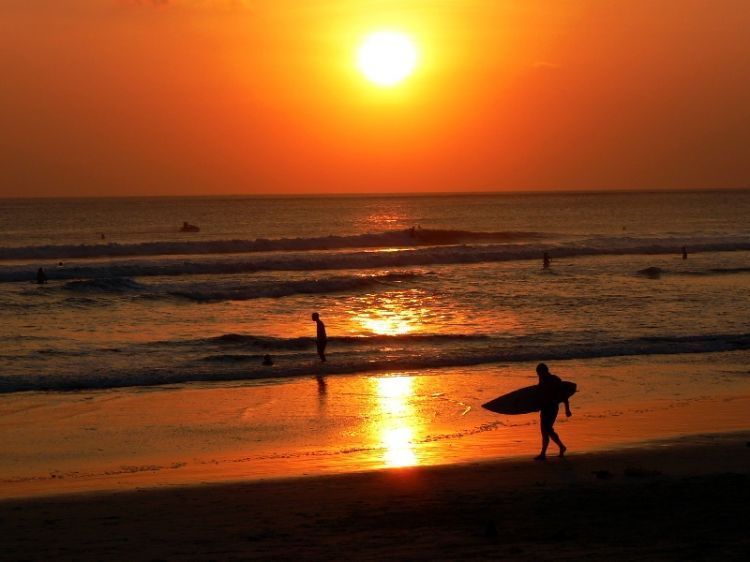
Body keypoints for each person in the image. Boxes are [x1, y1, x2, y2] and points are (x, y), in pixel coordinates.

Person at [535, 363, 571, 460]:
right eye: (538, 373)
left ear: (545, 371)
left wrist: (567, 409)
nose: (538, 375)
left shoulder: (555, 380)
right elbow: (540, 394)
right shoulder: (542, 380)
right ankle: (557, 449)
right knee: (545, 431)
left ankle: (547, 452)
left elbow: (564, 395)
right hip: (544, 408)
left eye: (539, 373)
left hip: (552, 408)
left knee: (547, 429)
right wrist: (535, 406)